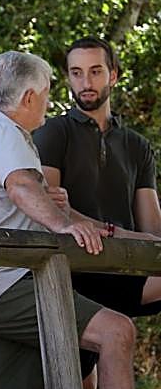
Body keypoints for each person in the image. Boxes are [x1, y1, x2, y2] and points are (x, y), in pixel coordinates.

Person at [0, 50, 161, 389]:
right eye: (48, 94)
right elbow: (21, 188)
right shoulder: (6, 134)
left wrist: (73, 218)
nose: (50, 104)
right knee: (116, 330)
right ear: (30, 96)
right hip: (10, 286)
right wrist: (62, 224)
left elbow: (30, 196)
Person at [34, 36, 161, 316]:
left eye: (95, 71)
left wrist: (135, 242)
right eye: (76, 73)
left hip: (127, 270)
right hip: (74, 268)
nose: (86, 83)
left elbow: (152, 230)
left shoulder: (137, 145)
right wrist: (114, 233)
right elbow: (49, 209)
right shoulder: (54, 133)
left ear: (112, 75)